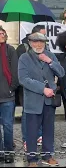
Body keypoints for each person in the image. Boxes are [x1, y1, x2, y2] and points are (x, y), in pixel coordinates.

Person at [18, 32, 65, 167]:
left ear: (45, 43)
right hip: (33, 101)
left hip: (49, 102)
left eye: (41, 42)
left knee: (49, 129)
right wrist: (42, 89)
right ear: (30, 43)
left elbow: (61, 73)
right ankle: (32, 159)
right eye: (35, 42)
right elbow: (23, 79)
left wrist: (50, 62)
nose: (38, 45)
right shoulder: (24, 58)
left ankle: (47, 155)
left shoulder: (50, 56)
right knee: (31, 131)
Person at [16, 25, 46, 151]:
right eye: (42, 35)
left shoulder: (44, 48)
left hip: (41, 87)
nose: (44, 39)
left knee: (40, 111)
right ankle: (26, 139)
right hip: (28, 87)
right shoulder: (22, 48)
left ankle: (39, 135)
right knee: (27, 113)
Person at [0, 27, 19, 163]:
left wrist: (11, 89)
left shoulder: (10, 50)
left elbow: (15, 72)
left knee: (7, 125)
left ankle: (8, 152)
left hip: (7, 95)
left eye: (2, 33)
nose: (1, 35)